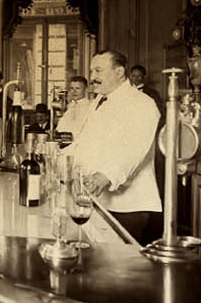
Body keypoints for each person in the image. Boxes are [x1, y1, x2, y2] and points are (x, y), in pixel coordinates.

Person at [65, 48, 164, 241]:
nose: (92, 77)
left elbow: (134, 149)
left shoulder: (142, 103)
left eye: (98, 71)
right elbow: (85, 142)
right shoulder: (100, 101)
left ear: (119, 72)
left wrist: (105, 176)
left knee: (121, 267)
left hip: (129, 207)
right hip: (99, 200)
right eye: (92, 71)